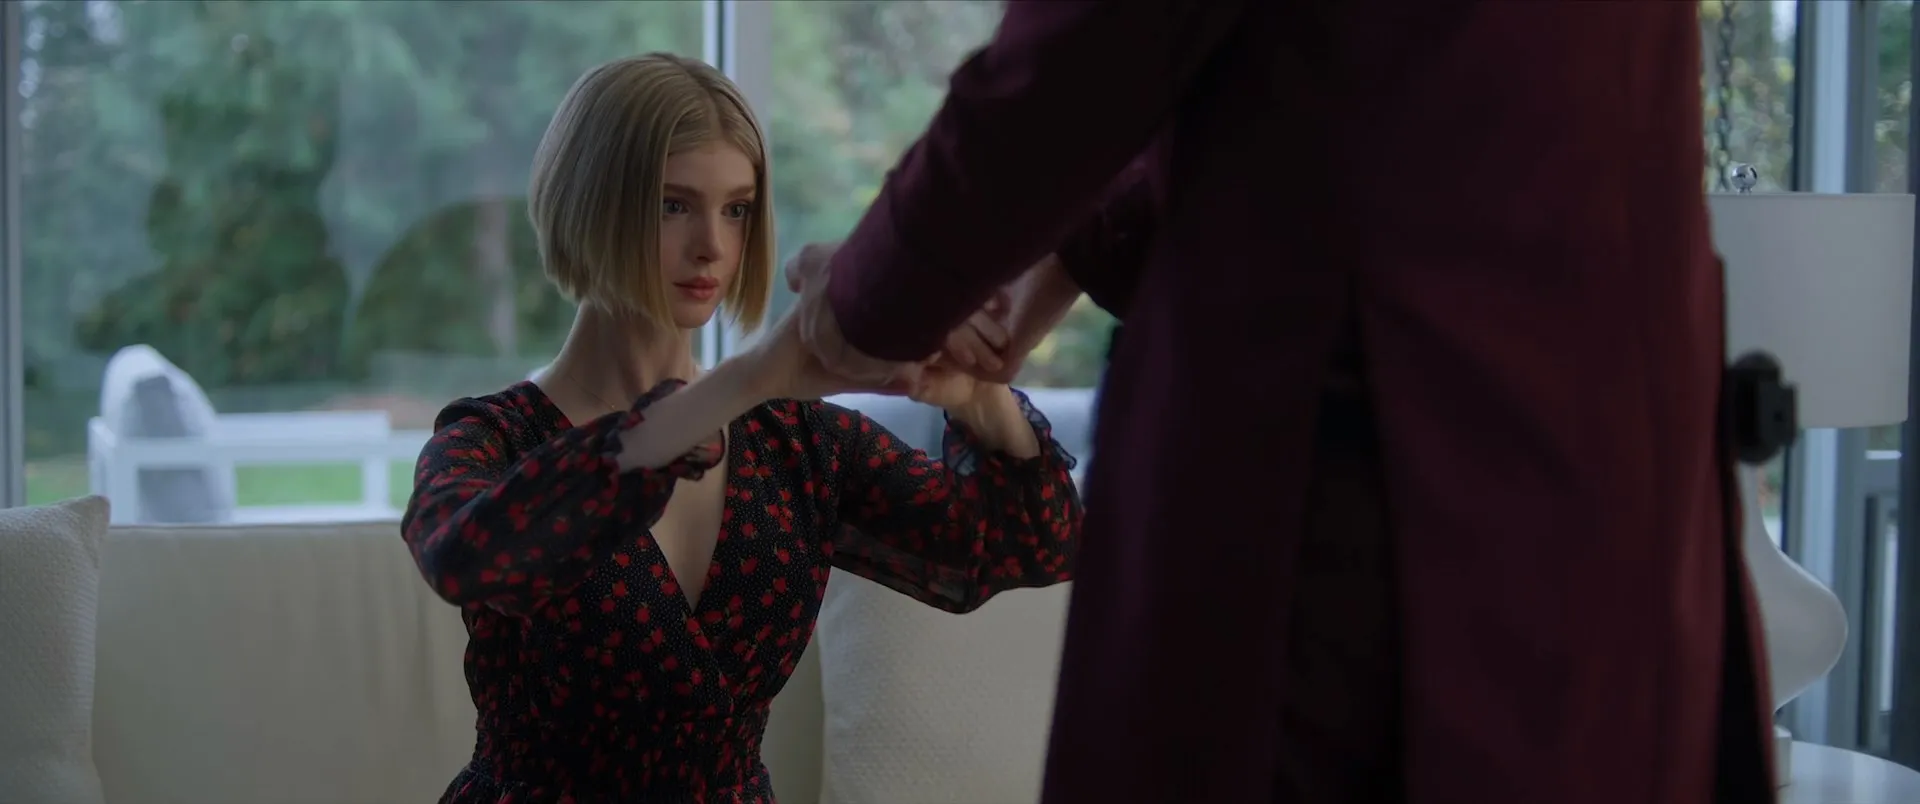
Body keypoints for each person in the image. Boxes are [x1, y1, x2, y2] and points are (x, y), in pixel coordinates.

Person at [784, 2, 1775, 803]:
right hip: (1610, 487)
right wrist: (1062, 253)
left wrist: (873, 295)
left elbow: (1090, 52)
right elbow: (1360, 79)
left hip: (1370, 499)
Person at [400, 53, 1082, 804]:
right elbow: (468, 560)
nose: (713, 247)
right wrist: (750, 377)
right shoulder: (492, 437)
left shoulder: (801, 445)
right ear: (589, 203)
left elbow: (1030, 545)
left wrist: (979, 394)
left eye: (737, 209)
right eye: (673, 205)